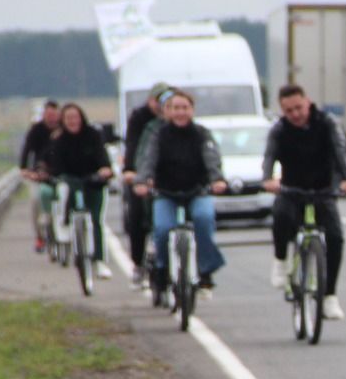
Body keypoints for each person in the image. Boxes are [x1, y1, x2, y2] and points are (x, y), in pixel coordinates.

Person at [259, 84, 346, 321]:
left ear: (308, 102)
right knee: (281, 214)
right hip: (292, 189)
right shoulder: (279, 130)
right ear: (282, 110)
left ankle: (329, 296)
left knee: (335, 236)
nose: (295, 114)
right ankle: (281, 261)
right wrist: (267, 179)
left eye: (298, 107)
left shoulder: (326, 123)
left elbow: (339, 150)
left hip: (323, 189)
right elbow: (269, 156)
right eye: (288, 110)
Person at [132, 89, 228, 291]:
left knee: (204, 218)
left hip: (197, 190)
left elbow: (211, 157)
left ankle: (205, 269)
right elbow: (148, 160)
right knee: (162, 228)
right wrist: (142, 181)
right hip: (166, 192)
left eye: (184, 108)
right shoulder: (158, 135)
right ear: (168, 111)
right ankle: (162, 268)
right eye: (176, 108)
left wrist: (217, 179)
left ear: (192, 110)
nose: (180, 112)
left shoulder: (202, 134)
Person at [43, 101, 115, 278]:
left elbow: (103, 159)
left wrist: (105, 170)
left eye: (75, 117)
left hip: (93, 182)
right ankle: (64, 225)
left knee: (96, 220)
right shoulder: (59, 140)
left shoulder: (93, 135)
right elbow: (54, 166)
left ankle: (99, 260)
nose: (72, 121)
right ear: (63, 121)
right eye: (68, 118)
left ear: (81, 118)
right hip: (70, 181)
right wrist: (49, 175)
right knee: (63, 192)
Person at [120, 82, 168, 286]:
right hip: (142, 173)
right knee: (137, 217)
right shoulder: (141, 119)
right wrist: (131, 172)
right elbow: (133, 146)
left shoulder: (177, 119)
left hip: (168, 176)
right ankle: (138, 263)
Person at [18, 100, 60, 253]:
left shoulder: (63, 129)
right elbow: (27, 149)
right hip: (39, 173)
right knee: (36, 200)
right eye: (49, 115)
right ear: (44, 115)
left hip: (58, 172)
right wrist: (24, 169)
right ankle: (40, 236)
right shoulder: (36, 130)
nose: (52, 119)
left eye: (54, 115)